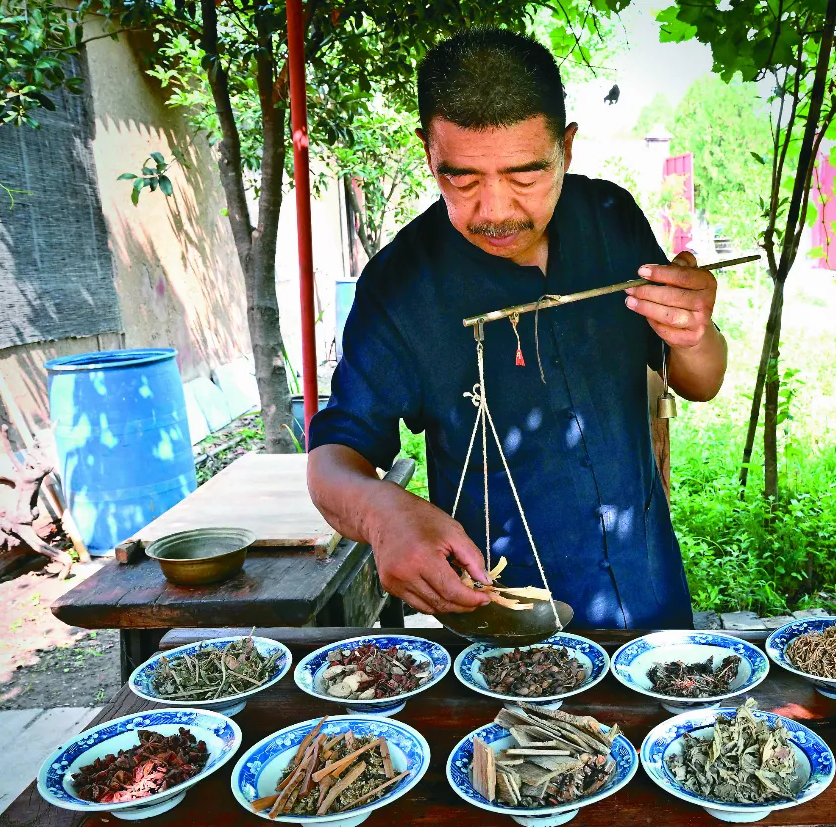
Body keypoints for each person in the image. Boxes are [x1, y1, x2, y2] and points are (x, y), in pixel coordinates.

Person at [306, 28, 727, 629]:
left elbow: (700, 382)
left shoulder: (612, 221)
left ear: (567, 148)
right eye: (462, 179)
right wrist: (379, 513)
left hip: (650, 593)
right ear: (428, 151)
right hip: (512, 626)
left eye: (526, 175)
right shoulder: (401, 286)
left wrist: (694, 331)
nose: (496, 210)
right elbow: (331, 459)